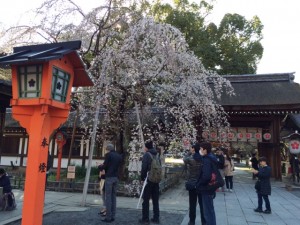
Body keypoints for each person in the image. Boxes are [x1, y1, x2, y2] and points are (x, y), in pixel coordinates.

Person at [183, 142, 206, 225]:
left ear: (193, 149)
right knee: (202, 204)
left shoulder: (190, 159)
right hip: (201, 184)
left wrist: (190, 152)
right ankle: (204, 221)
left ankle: (192, 221)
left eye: (191, 147)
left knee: (192, 204)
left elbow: (184, 159)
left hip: (192, 184)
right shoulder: (202, 159)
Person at [139, 140, 161, 224]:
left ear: (146, 147)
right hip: (156, 179)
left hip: (148, 179)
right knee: (155, 200)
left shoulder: (147, 155)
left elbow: (144, 168)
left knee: (146, 200)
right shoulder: (157, 154)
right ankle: (156, 218)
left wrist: (142, 178)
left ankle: (145, 219)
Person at [101, 143, 123, 223]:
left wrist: (100, 167)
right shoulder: (118, 156)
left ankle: (108, 217)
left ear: (108, 149)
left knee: (108, 197)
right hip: (116, 177)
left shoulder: (108, 155)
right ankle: (113, 216)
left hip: (109, 177)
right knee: (114, 197)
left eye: (106, 149)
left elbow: (105, 166)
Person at [197, 142, 217, 225]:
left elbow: (206, 176)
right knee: (210, 210)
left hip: (206, 187)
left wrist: (198, 184)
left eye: (201, 149)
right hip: (212, 186)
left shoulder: (207, 159)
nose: (200, 151)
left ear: (205, 150)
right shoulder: (212, 157)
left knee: (207, 212)